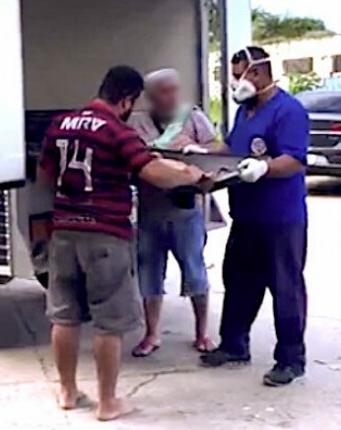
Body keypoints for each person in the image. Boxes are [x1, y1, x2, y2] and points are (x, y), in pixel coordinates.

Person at [38, 65, 208, 421]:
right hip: (105, 235)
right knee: (109, 323)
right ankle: (107, 403)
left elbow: (45, 175)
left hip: (64, 233)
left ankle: (67, 391)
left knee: (64, 317)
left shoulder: (60, 124)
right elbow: (153, 173)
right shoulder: (117, 131)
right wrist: (190, 175)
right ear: (127, 99)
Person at [198, 47, 310, 387]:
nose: (236, 84)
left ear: (258, 73)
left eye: (239, 76)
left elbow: (294, 159)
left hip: (280, 218)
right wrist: (201, 153)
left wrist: (264, 168)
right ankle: (234, 345)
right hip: (246, 215)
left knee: (285, 288)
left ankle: (290, 360)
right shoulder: (245, 111)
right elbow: (231, 148)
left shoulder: (288, 111)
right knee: (238, 281)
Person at [128, 69, 219, 358]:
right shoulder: (137, 123)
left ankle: (202, 332)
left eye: (174, 90)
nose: (171, 97)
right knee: (149, 272)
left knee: (195, 270)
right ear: (150, 97)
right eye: (163, 92)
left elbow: (218, 147)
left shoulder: (191, 116)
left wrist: (195, 149)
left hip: (186, 210)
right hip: (151, 209)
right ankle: (151, 333)